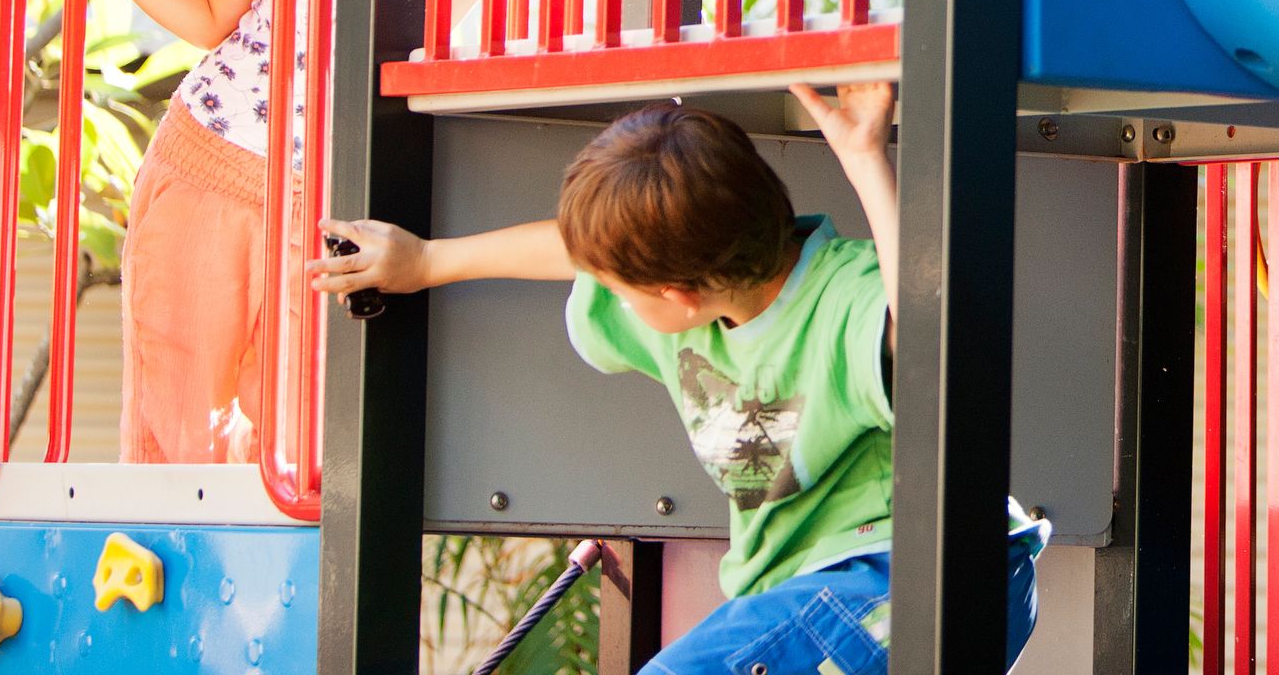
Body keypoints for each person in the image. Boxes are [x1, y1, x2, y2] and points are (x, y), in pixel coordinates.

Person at [311, 88, 1045, 675]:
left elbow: (931, 338)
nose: (604, 294)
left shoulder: (844, 295)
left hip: (920, 570)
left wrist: (865, 161)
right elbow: (575, 250)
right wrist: (428, 261)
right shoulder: (688, 296)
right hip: (826, 592)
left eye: (620, 287)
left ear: (679, 293)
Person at [47, 0, 532, 464]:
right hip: (211, 163)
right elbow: (214, 12)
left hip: (329, 196)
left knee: (307, 453)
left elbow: (417, 24)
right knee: (178, 432)